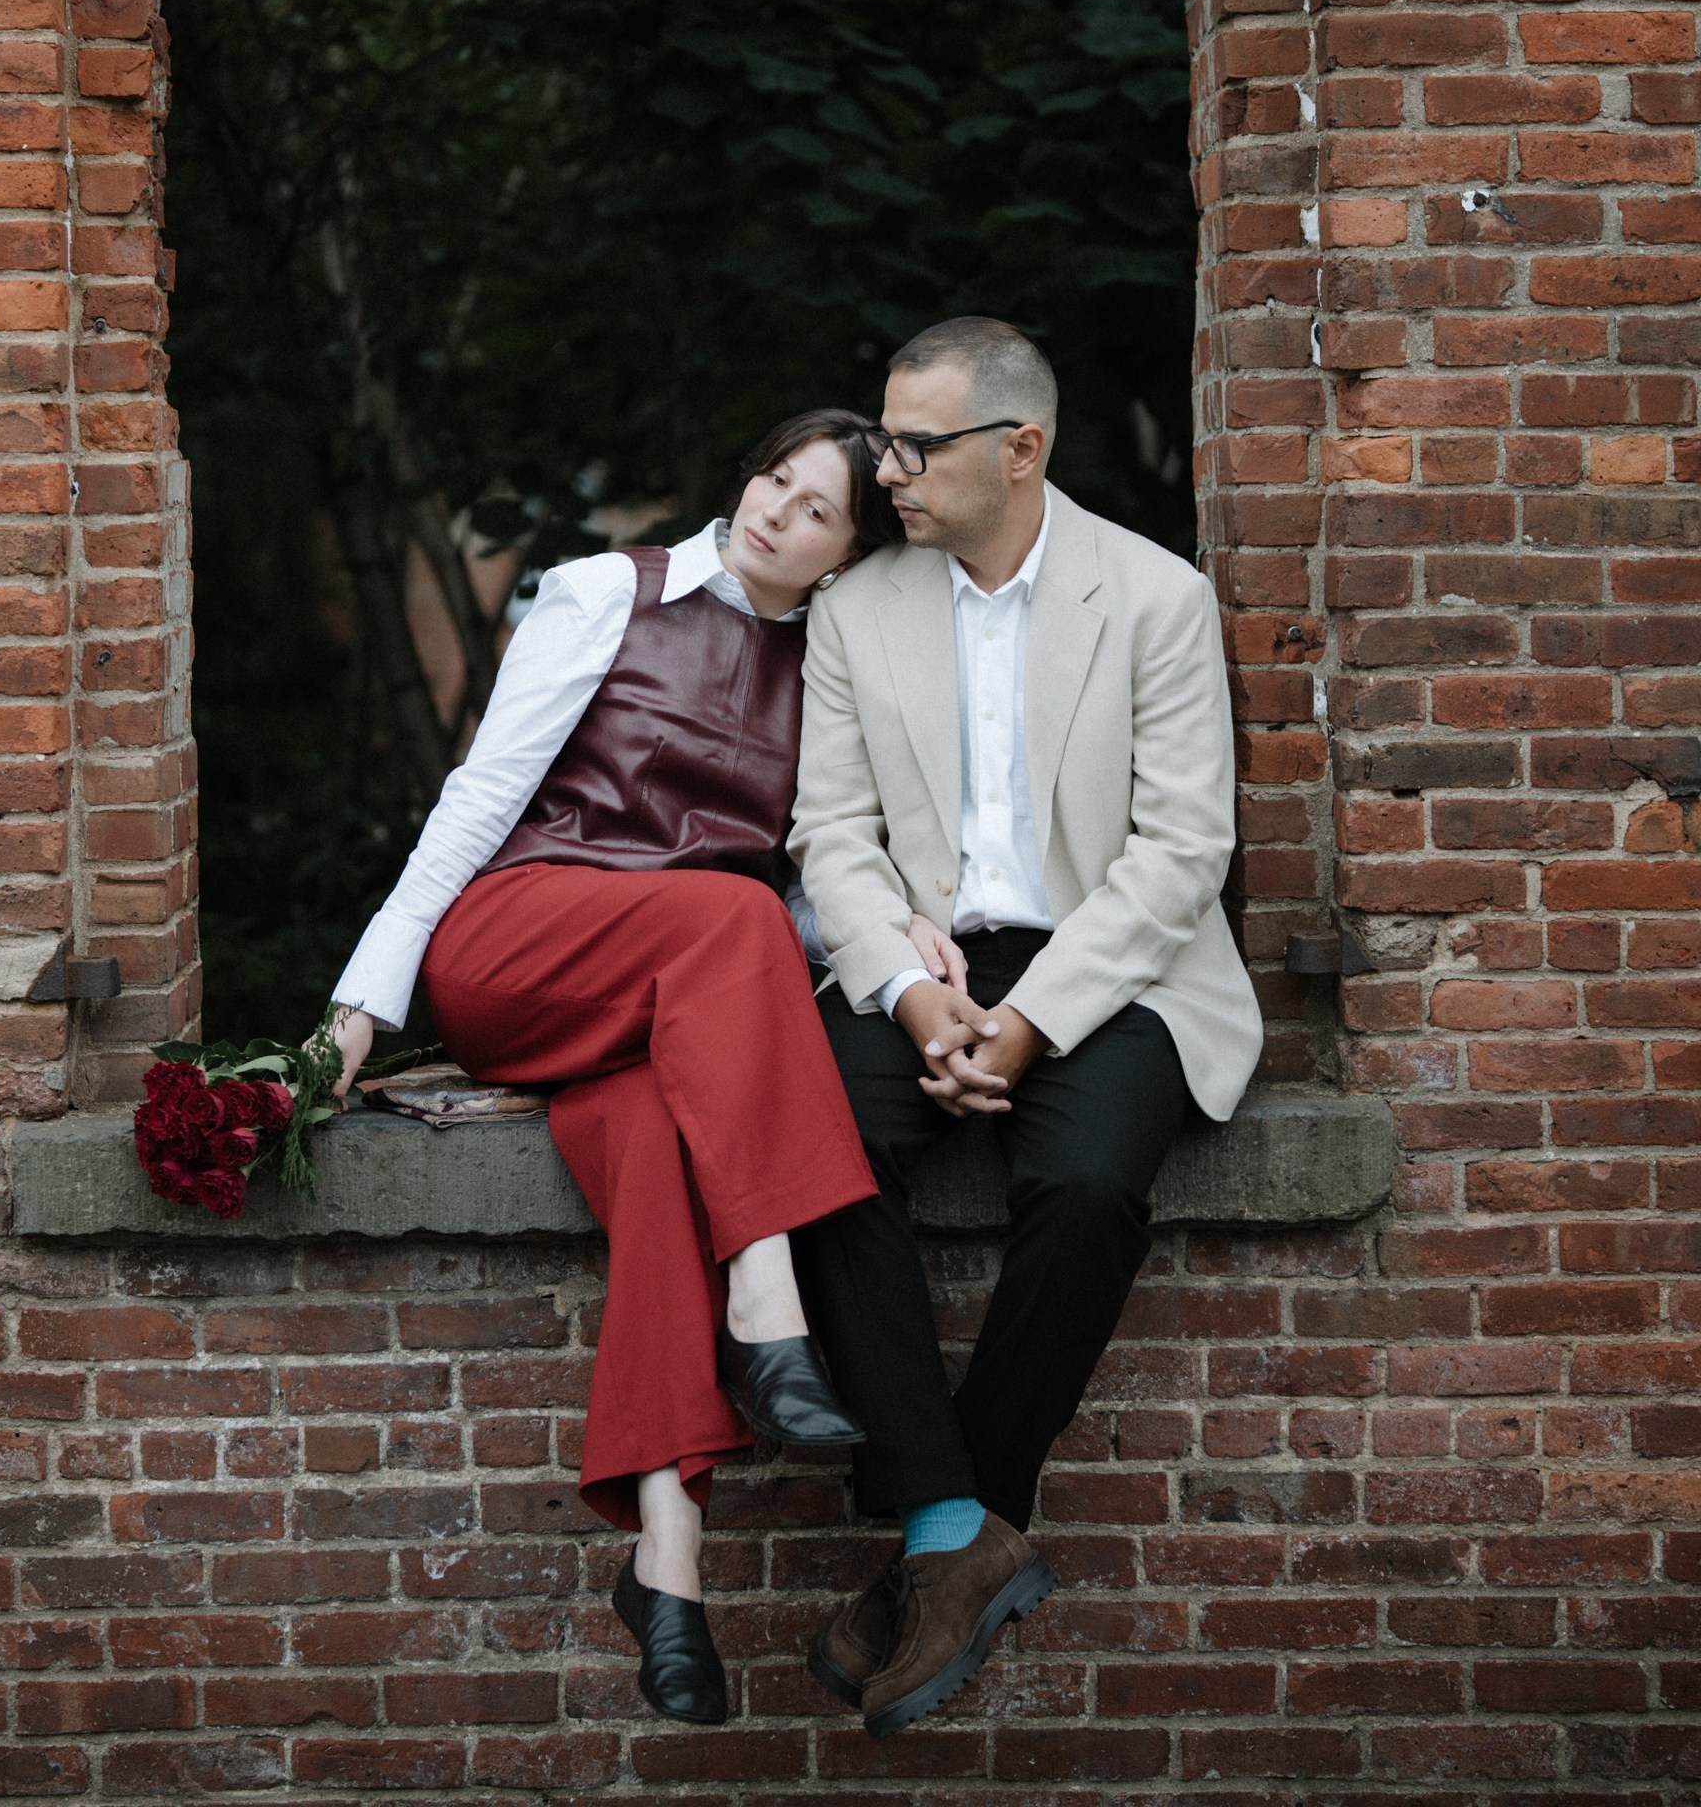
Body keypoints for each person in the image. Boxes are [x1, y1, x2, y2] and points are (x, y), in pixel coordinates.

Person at [319, 410, 950, 1726]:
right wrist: (362, 999)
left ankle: (667, 1571)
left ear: (844, 554)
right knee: (730, 915)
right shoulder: (612, 592)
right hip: (523, 946)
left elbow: (809, 887)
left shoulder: (829, 669)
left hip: (666, 1001)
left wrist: (911, 940)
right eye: (774, 477)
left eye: (817, 508)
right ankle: (768, 1304)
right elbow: (479, 799)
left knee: (668, 1154)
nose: (778, 510)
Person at [788, 316, 1263, 1738]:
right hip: (923, 957)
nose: (889, 472)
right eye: (882, 440)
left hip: (1120, 960)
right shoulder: (857, 608)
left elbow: (1182, 857)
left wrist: (1036, 1021)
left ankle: (948, 1524)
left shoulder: (1155, 598)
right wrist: (919, 995)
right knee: (814, 1153)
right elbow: (832, 833)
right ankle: (956, 1529)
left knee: (1089, 1184)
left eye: (915, 446)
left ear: (1023, 448)